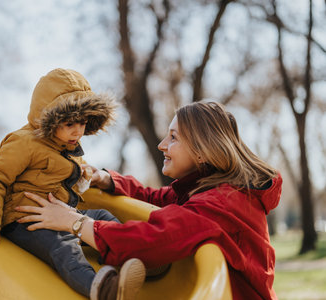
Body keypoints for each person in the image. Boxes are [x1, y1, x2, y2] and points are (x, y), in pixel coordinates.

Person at [15, 101, 282, 300]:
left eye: (173, 137)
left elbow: (154, 237)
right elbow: (158, 199)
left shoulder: (221, 204)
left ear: (202, 151)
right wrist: (108, 180)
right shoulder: (208, 190)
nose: (162, 144)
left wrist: (73, 222)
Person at [0, 68, 146, 300]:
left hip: (61, 213)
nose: (78, 131)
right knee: (63, 246)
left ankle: (129, 253)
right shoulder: (23, 142)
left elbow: (67, 178)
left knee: (102, 215)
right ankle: (100, 288)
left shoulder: (68, 147)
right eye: (69, 124)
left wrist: (85, 176)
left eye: (83, 123)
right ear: (49, 118)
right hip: (25, 219)